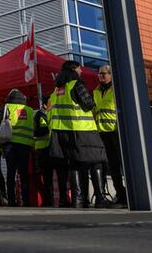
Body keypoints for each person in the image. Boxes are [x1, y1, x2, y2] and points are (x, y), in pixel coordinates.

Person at [50, 60, 109, 208]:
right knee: (97, 161)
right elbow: (88, 104)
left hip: (63, 133)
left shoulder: (57, 89)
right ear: (73, 70)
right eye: (79, 69)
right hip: (84, 130)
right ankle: (100, 199)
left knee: (75, 164)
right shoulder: (76, 84)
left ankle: (78, 199)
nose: (81, 71)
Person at [93, 65, 125, 206]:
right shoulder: (96, 92)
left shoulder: (117, 89)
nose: (101, 76)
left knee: (123, 164)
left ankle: (131, 193)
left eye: (104, 74)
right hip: (102, 133)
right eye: (99, 74)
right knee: (112, 166)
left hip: (116, 132)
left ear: (111, 75)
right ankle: (121, 194)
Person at [0, 89, 34, 207]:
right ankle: (26, 200)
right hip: (25, 145)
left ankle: (12, 200)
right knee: (23, 174)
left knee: (11, 173)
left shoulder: (6, 107)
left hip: (10, 145)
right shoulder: (29, 110)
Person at [34, 97, 54, 207]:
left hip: (47, 148)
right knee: (46, 176)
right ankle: (47, 200)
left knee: (48, 176)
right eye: (50, 103)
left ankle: (49, 199)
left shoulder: (46, 114)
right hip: (43, 149)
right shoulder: (41, 115)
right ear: (45, 105)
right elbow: (42, 130)